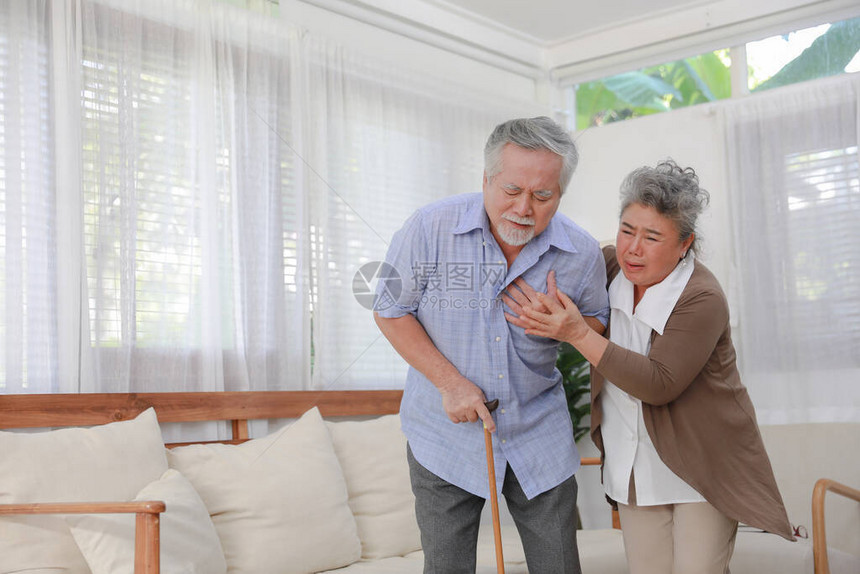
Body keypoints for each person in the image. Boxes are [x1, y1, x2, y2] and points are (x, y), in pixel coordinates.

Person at [505, 159, 795, 574]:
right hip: (633, 467)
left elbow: (660, 384)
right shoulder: (606, 268)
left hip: (702, 468)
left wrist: (577, 334)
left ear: (684, 244)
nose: (632, 248)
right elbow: (555, 246)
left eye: (652, 236)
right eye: (627, 230)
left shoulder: (701, 297)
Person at [373, 116, 610, 574]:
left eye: (543, 196)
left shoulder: (581, 253)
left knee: (559, 565)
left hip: (538, 430)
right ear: (486, 179)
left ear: (560, 193)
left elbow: (597, 322)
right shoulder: (431, 227)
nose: (524, 208)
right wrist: (450, 383)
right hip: (443, 435)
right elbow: (389, 308)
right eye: (511, 190)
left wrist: (568, 328)